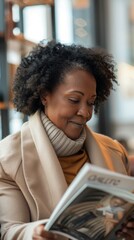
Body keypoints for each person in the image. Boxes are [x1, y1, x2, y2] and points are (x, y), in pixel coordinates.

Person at [0, 40, 133, 240]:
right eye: (74, 100)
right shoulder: (8, 159)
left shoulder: (114, 150)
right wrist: (34, 233)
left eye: (91, 102)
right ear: (45, 95)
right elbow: (9, 229)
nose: (85, 112)